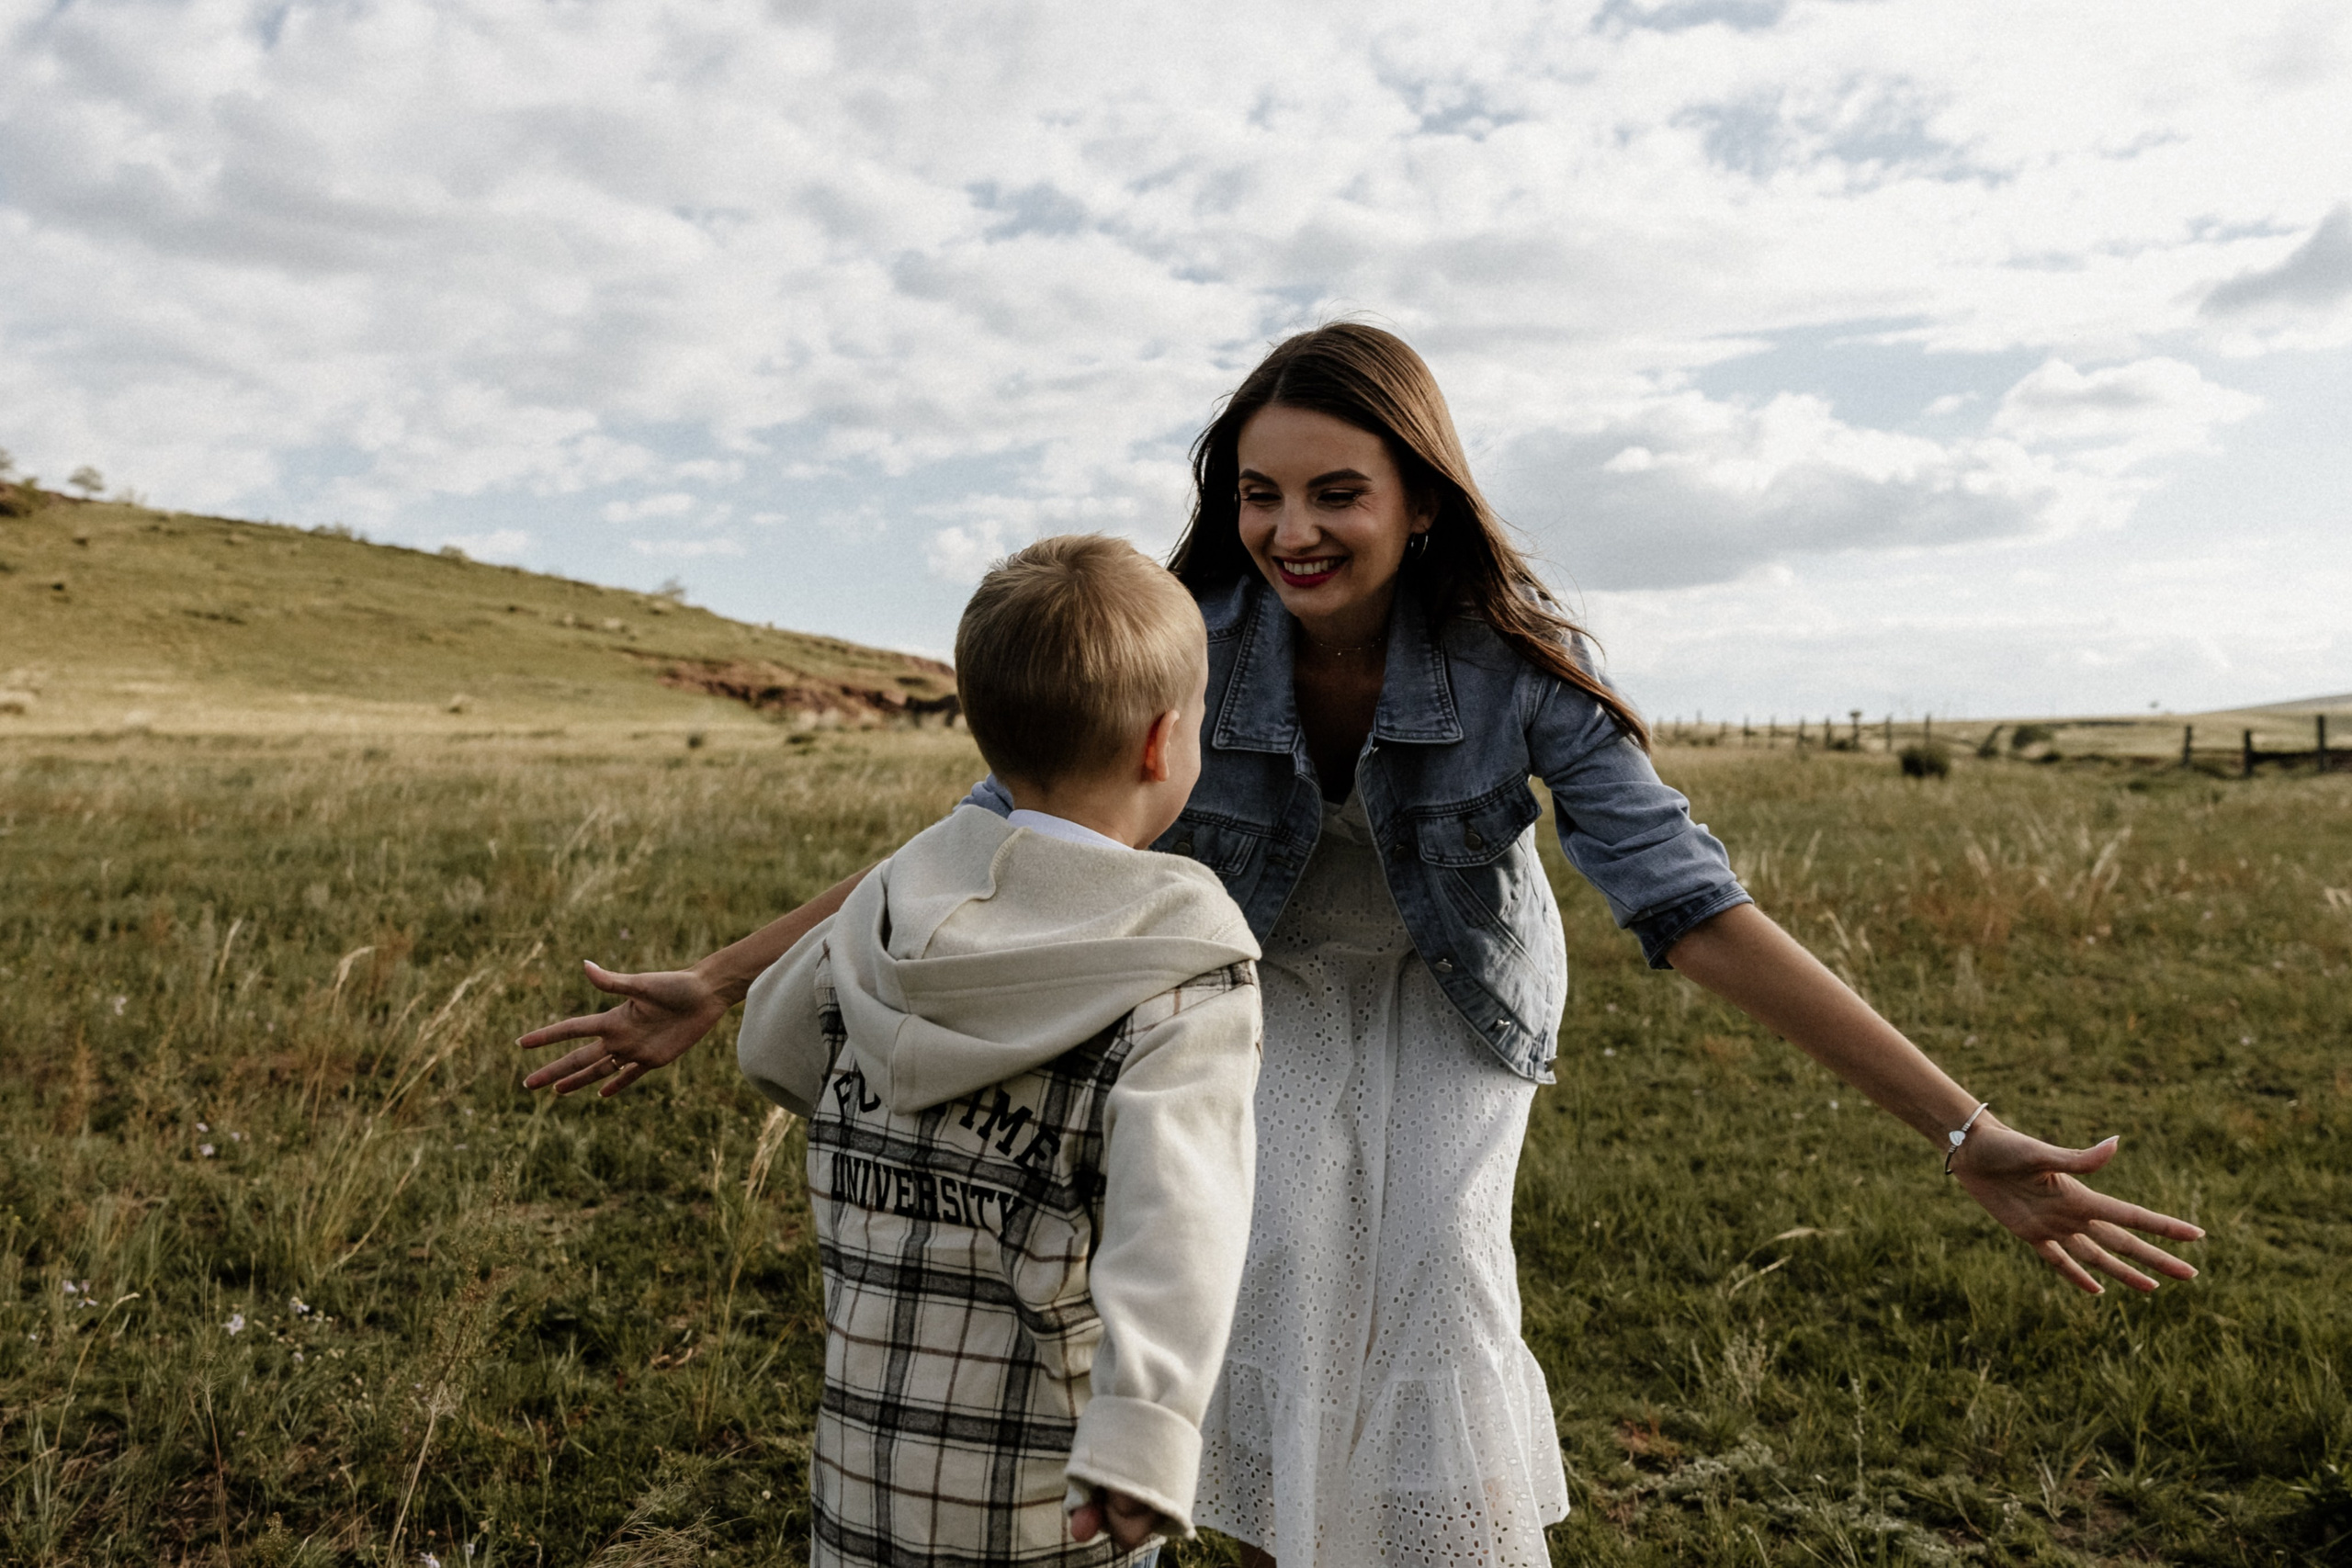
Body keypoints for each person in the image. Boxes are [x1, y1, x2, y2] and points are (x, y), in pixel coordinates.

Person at [523, 325, 2204, 1568]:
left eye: (1337, 491)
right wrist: (726, 979)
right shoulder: (1188, 641)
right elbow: (994, 833)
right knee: (1273, 1267)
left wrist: (1967, 1131)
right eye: (1258, 494)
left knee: (1440, 1281)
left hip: (1455, 999)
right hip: (1248, 981)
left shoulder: (1515, 665)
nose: (1290, 529)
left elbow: (1694, 908)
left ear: (1418, 494)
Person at [700, 536, 1262, 1567]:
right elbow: (1183, 1220)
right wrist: (1144, 1435)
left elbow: (775, 1049)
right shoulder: (1179, 967)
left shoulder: (890, 900)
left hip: (868, 1468)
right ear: (1161, 742)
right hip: (1055, 1493)